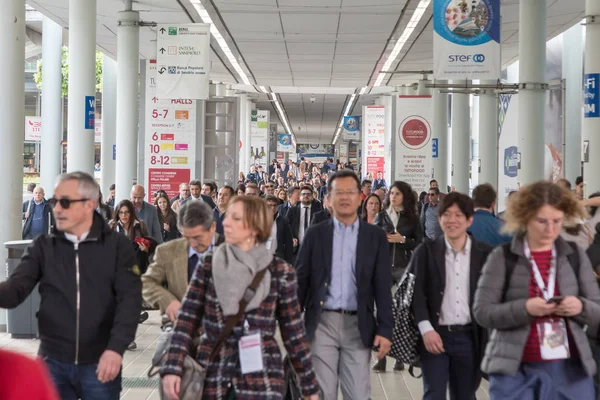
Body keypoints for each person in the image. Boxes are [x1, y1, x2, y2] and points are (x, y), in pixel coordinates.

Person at [160, 196, 320, 400]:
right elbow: (186, 319)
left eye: (235, 218)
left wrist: (309, 387)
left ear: (255, 225)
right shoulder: (209, 265)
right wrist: (172, 367)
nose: (225, 222)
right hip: (214, 373)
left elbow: (294, 335)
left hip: (262, 378)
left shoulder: (280, 273)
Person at [0, 172, 141, 399]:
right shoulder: (43, 247)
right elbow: (15, 291)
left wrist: (115, 350)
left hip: (100, 362)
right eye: (55, 202)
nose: (56, 209)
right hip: (52, 362)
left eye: (65, 202)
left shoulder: (117, 247)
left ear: (90, 205)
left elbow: (130, 302)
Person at [473, 181, 600, 399]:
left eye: (557, 221)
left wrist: (580, 306)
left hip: (569, 371)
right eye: (542, 221)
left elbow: (597, 310)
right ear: (525, 217)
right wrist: (525, 309)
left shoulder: (575, 257)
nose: (550, 229)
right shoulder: (503, 257)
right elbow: (482, 311)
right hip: (515, 372)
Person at [296, 170, 393, 400]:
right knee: (321, 393)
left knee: (358, 393)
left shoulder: (375, 236)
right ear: (328, 198)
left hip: (358, 324)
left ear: (360, 196)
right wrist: (292, 327)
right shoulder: (315, 235)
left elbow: (382, 285)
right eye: (338, 192)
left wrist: (386, 329)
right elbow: (300, 283)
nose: (345, 197)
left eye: (350, 192)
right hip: (322, 323)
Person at [412, 192, 493, 399]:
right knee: (434, 394)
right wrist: (426, 329)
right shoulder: (426, 251)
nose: (452, 220)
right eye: (446, 214)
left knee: (465, 395)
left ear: (469, 220)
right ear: (439, 219)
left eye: (458, 215)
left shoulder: (484, 254)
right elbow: (416, 293)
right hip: (435, 336)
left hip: (469, 337)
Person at [142, 201, 224, 325]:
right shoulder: (167, 251)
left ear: (212, 227)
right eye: (187, 237)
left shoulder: (231, 250)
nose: (193, 244)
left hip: (221, 327)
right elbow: (147, 283)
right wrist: (168, 301)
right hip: (178, 324)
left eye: (198, 237)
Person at [287, 185, 323, 252]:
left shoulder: (318, 211)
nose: (306, 196)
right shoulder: (292, 211)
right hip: (297, 247)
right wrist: (291, 238)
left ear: (312, 197)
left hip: (314, 248)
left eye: (308, 194)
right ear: (300, 197)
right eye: (303, 194)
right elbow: (286, 226)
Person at [265, 195, 294, 264]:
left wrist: (288, 263)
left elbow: (288, 243)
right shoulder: (258, 220)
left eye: (274, 205)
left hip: (277, 259)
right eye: (269, 205)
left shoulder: (283, 221)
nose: (272, 208)